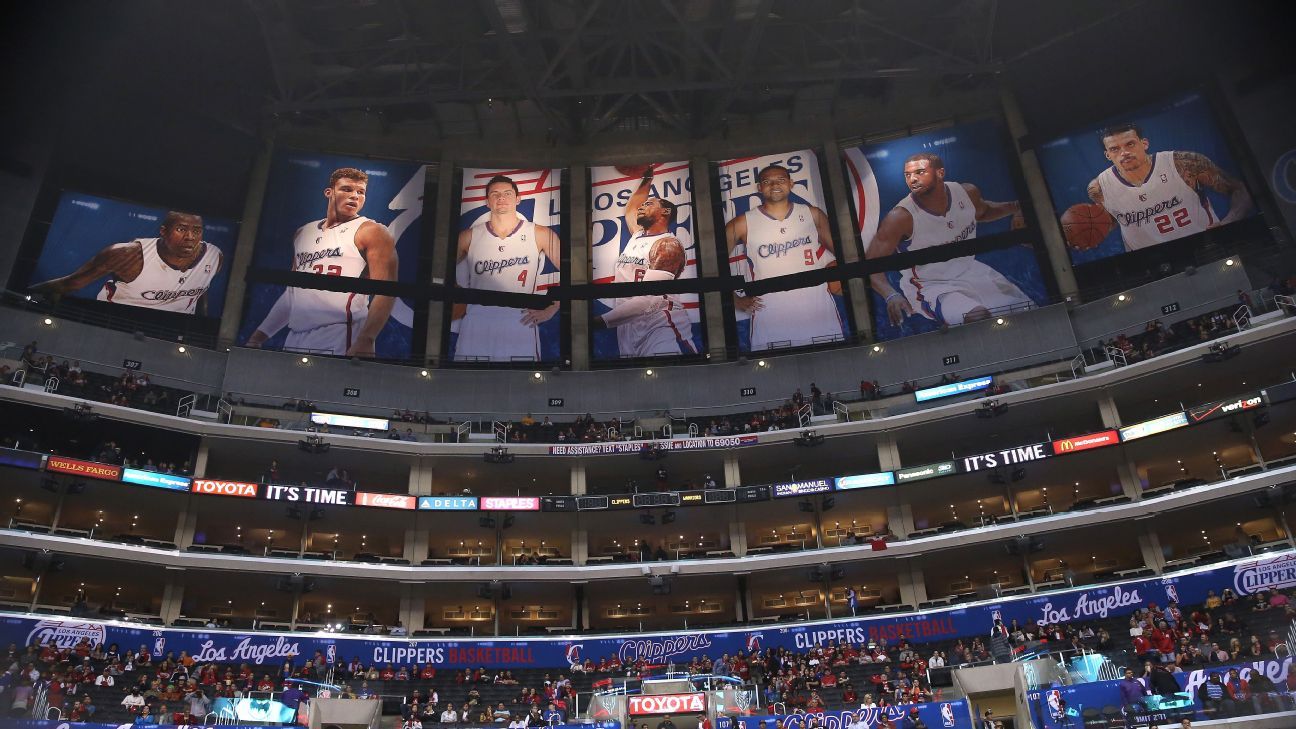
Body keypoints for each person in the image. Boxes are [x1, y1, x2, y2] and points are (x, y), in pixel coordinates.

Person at [865, 152, 1032, 329]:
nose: (912, 179)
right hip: (930, 286)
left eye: (920, 172)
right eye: (907, 175)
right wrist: (891, 295)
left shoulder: (967, 192)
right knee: (978, 316)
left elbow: (983, 211)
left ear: (940, 173)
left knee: (1027, 313)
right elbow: (871, 265)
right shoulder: (900, 217)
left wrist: (1016, 206)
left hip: (971, 270)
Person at [245, 167, 399, 357]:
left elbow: (387, 291)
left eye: (361, 192)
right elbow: (292, 294)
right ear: (329, 192)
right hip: (296, 334)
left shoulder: (371, 231)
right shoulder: (303, 232)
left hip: (340, 332)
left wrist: (367, 339)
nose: (354, 196)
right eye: (347, 189)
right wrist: (258, 337)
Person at [725, 164, 845, 351]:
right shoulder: (741, 223)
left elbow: (845, 255)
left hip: (817, 309)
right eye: (767, 181)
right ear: (759, 187)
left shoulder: (812, 214)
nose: (774, 185)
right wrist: (734, 299)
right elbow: (713, 266)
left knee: (833, 367)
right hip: (770, 314)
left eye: (781, 180)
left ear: (791, 183)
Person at [1081, 123, 1252, 252]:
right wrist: (1087, 235)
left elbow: (1239, 189)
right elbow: (1112, 221)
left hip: (1206, 247)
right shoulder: (1099, 188)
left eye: (1130, 144)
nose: (1124, 152)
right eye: (1115, 149)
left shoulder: (1183, 163)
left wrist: (1229, 222)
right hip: (1150, 263)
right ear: (1108, 155)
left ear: (1144, 144)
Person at [452, 174, 561, 361]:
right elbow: (438, 271)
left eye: (507, 193)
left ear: (518, 199)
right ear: (487, 202)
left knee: (521, 383)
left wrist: (554, 307)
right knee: (469, 381)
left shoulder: (540, 233)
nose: (501, 198)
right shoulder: (469, 236)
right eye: (495, 194)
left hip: (519, 320)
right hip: (477, 321)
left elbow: (574, 273)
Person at [31, 211, 223, 315]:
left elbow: (201, 288)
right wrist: (24, 292)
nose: (190, 237)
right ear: (163, 231)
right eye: (181, 229)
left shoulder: (214, 256)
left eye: (197, 231)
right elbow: (71, 284)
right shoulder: (127, 254)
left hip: (170, 330)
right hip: (111, 317)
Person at [593, 166, 696, 356]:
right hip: (628, 324)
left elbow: (648, 299)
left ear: (665, 212)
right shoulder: (638, 235)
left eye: (649, 204)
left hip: (660, 323)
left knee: (669, 381)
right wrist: (647, 177)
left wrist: (598, 322)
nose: (642, 206)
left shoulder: (668, 246)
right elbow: (632, 207)